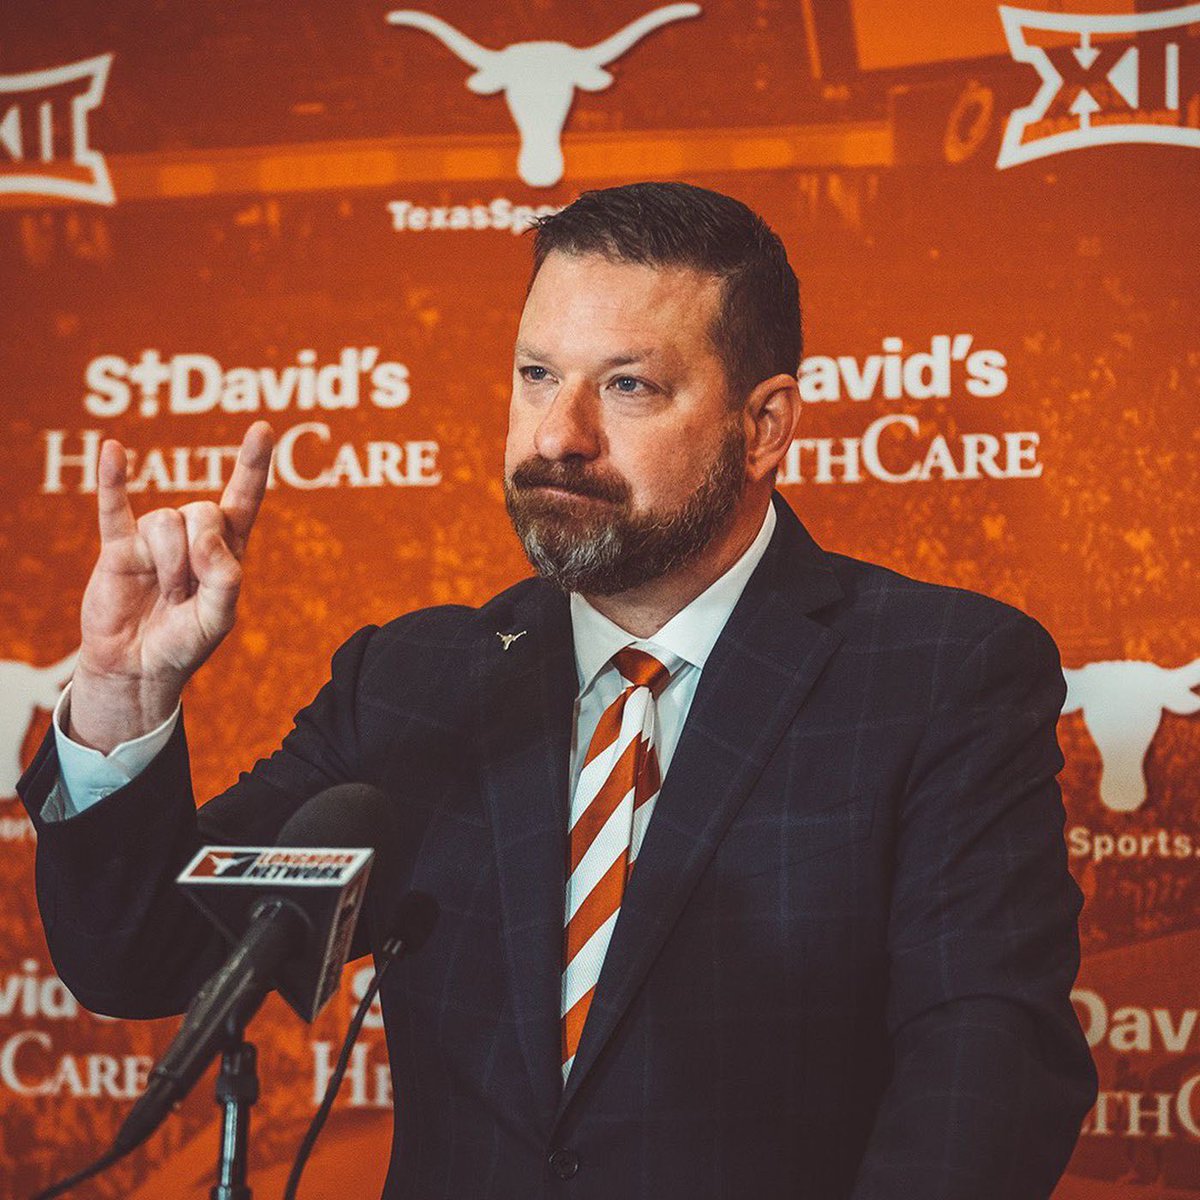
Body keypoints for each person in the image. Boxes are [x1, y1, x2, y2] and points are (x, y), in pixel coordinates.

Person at [20, 182, 1097, 1199]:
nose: (556, 436)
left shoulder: (938, 672)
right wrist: (125, 689)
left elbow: (987, 1061)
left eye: (626, 385)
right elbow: (147, 957)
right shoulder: (411, 682)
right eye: (537, 375)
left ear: (765, 425)